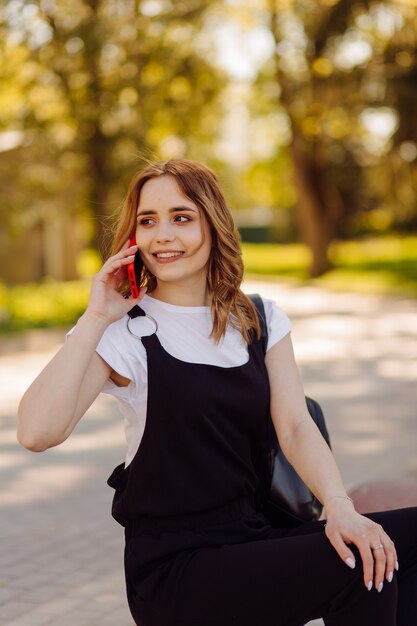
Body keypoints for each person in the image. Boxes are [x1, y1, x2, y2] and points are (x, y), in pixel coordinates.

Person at [18, 159, 417, 626]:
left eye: (182, 217)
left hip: (260, 536)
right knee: (361, 565)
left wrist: (339, 507)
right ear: (133, 238)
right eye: (148, 221)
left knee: (377, 553)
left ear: (214, 223)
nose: (163, 234)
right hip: (179, 568)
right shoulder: (124, 332)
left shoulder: (259, 318)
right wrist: (94, 318)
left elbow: (294, 425)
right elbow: (36, 433)